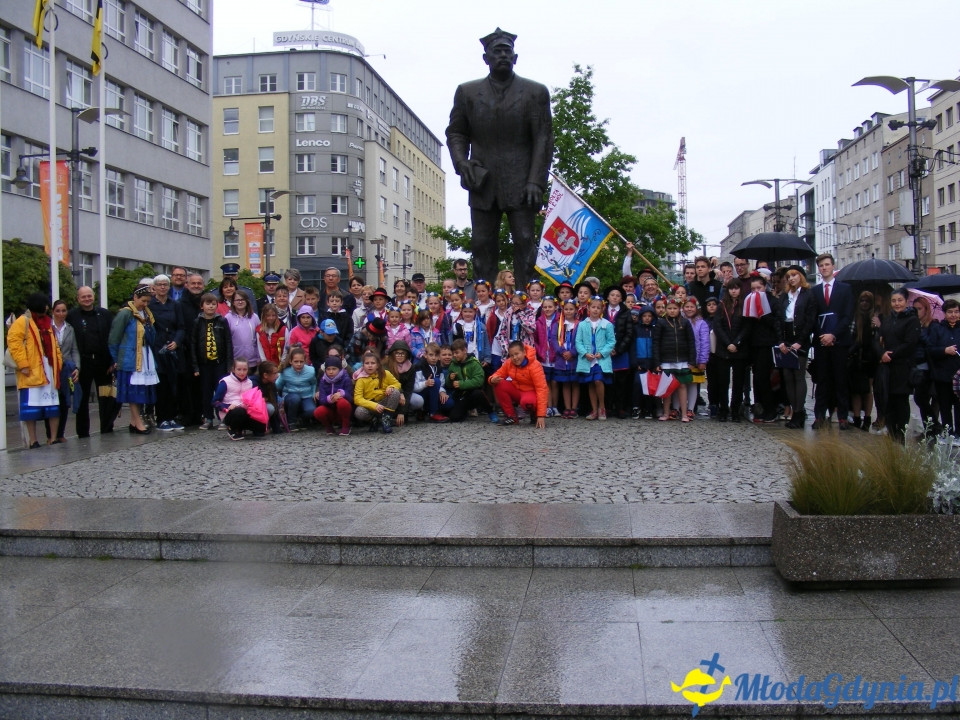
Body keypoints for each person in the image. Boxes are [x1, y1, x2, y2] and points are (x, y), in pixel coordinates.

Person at [446, 28, 553, 282]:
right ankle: (484, 302)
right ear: (486, 58)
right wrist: (462, 163)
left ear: (515, 57)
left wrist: (536, 181)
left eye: (508, 51)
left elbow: (543, 139)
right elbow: (456, 133)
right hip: (482, 181)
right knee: (481, 244)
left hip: (523, 180)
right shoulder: (467, 92)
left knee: (526, 242)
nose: (503, 56)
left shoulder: (535, 92)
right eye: (497, 51)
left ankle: (528, 298)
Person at [8, 293, 63, 448]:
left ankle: (53, 437)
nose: (47, 308)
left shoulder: (48, 323)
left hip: (49, 368)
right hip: (31, 369)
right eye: (46, 305)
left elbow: (55, 344)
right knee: (31, 407)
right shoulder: (22, 322)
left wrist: (58, 362)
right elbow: (14, 343)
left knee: (53, 404)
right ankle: (33, 440)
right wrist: (23, 364)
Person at [811, 254, 855, 430]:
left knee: (840, 380)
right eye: (821, 265)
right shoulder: (814, 291)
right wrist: (823, 335)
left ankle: (842, 416)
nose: (824, 268)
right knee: (822, 380)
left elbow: (847, 316)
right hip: (821, 342)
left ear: (832, 266)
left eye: (827, 264)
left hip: (839, 341)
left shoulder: (845, 289)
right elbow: (812, 316)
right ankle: (820, 416)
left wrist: (833, 335)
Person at [66, 286, 116, 438]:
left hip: (103, 363)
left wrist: (113, 361)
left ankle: (107, 428)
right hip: (83, 363)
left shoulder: (105, 314)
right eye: (83, 297)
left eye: (89, 296)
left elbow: (113, 338)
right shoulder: (72, 316)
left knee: (106, 397)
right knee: (82, 398)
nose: (87, 299)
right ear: (78, 298)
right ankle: (82, 432)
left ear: (94, 296)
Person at [109, 286, 159, 435]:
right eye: (143, 300)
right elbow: (114, 338)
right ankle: (138, 422)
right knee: (133, 391)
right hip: (130, 357)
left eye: (148, 301)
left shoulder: (147, 314)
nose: (145, 304)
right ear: (135, 297)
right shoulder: (125, 314)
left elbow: (152, 337)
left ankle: (133, 421)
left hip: (145, 356)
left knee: (141, 390)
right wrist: (115, 358)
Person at [878, 288, 920, 443]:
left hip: (903, 366)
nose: (897, 304)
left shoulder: (911, 319)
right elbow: (879, 338)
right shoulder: (888, 319)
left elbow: (910, 343)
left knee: (900, 400)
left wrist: (891, 355)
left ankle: (900, 433)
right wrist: (881, 353)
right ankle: (890, 430)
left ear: (906, 301)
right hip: (887, 366)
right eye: (894, 301)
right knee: (887, 400)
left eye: (900, 300)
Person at [777, 267, 816, 429]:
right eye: (788, 276)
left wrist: (800, 341)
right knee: (787, 377)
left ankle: (799, 412)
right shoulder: (785, 296)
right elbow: (778, 318)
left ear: (801, 277)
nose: (791, 279)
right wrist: (780, 341)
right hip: (786, 339)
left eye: (794, 275)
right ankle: (794, 409)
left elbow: (810, 320)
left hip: (800, 340)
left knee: (798, 376)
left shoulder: (808, 295)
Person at [149, 274, 186, 432]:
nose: (163, 287)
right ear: (154, 287)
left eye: (165, 284)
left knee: (173, 384)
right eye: (160, 285)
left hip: (173, 348)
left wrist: (177, 341)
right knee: (161, 385)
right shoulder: (150, 305)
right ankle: (162, 418)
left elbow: (181, 326)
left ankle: (171, 417)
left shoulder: (175, 304)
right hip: (157, 348)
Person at [744, 273, 782, 424]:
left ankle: (771, 409)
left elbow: (776, 323)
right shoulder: (750, 301)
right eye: (753, 289)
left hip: (767, 344)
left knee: (765, 378)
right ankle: (760, 407)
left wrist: (763, 317)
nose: (756, 291)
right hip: (754, 344)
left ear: (764, 287)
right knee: (758, 379)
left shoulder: (772, 301)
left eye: (759, 288)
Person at [192, 292, 233, 430]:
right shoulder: (197, 322)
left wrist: (229, 364)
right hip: (204, 364)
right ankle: (208, 418)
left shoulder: (222, 321)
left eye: (213, 304)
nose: (211, 306)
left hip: (219, 363)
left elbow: (228, 342)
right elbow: (193, 344)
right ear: (202, 306)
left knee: (221, 391)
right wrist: (195, 366)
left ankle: (222, 417)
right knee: (206, 392)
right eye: (208, 304)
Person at [653, 297, 696, 422]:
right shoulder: (661, 322)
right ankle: (666, 412)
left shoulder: (685, 322)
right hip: (666, 360)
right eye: (670, 308)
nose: (672, 311)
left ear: (680, 309)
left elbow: (691, 342)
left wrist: (692, 361)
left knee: (682, 386)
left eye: (675, 308)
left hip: (682, 360)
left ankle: (684, 414)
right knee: (668, 388)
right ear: (666, 309)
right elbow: (656, 343)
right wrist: (657, 362)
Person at [489, 340, 549, 427]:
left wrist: (541, 415)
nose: (515, 358)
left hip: (530, 393)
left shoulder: (535, 365)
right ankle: (511, 417)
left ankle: (534, 414)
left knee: (528, 401)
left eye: (517, 354)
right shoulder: (509, 363)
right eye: (512, 355)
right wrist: (492, 379)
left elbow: (542, 389)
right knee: (499, 383)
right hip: (517, 392)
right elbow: (498, 374)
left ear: (524, 352)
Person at [575, 295, 616, 421]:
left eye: (598, 308)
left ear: (602, 309)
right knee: (591, 383)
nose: (595, 310)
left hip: (600, 359)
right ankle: (594, 409)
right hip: (588, 359)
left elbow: (611, 341)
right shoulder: (582, 324)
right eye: (593, 307)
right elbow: (578, 341)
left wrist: (603, 353)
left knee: (598, 380)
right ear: (588, 308)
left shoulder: (607, 324)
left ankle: (602, 407)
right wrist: (584, 353)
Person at [45, 299, 80, 444]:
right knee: (51, 400)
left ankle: (60, 433)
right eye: (58, 311)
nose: (61, 314)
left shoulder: (69, 328)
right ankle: (50, 435)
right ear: (53, 312)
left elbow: (74, 350)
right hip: (50, 367)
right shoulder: (47, 327)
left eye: (63, 310)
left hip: (66, 367)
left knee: (64, 401)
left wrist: (77, 367)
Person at [848, 291, 879, 432]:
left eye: (867, 301)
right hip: (856, 358)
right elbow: (852, 336)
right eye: (862, 300)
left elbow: (877, 339)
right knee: (855, 390)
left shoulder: (875, 317)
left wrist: (877, 326)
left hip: (870, 358)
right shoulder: (855, 316)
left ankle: (867, 418)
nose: (864, 303)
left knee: (867, 390)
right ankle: (856, 417)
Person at [928, 298, 960, 436]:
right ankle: (948, 432)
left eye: (957, 312)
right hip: (943, 375)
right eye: (950, 312)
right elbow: (930, 350)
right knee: (945, 406)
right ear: (945, 313)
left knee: (959, 407)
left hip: (959, 376)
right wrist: (944, 350)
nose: (954, 315)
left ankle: (958, 434)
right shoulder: (937, 328)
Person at [212, 358, 265, 441]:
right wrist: (226, 407)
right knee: (239, 411)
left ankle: (241, 428)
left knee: (261, 429)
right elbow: (215, 402)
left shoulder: (251, 383)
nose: (242, 372)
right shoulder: (225, 382)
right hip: (229, 413)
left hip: (246, 411)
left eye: (244, 369)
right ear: (233, 369)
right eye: (239, 369)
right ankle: (232, 428)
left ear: (248, 369)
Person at [354, 350, 403, 433]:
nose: (370, 366)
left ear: (377, 365)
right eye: (367, 363)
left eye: (373, 363)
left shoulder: (385, 373)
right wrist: (374, 405)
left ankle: (386, 419)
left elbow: (397, 384)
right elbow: (357, 398)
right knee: (359, 412)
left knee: (395, 392)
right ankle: (373, 420)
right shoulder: (360, 379)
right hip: (370, 405)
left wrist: (391, 387)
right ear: (363, 365)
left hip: (384, 403)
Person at [604, 286, 634, 419]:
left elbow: (629, 333)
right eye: (612, 295)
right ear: (608, 297)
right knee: (607, 381)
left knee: (621, 382)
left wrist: (619, 349)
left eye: (617, 295)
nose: (615, 297)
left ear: (621, 298)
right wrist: (606, 349)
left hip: (621, 352)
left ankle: (621, 407)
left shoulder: (626, 312)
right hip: (605, 352)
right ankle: (608, 407)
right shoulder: (602, 310)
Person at [446, 338, 494, 422]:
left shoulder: (474, 363)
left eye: (457, 353)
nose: (454, 355)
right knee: (454, 418)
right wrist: (450, 379)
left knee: (478, 393)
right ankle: (466, 411)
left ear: (464, 350)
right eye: (453, 353)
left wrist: (461, 384)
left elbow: (479, 381)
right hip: (461, 395)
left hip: (473, 393)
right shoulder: (453, 364)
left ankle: (490, 411)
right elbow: (448, 384)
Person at [276, 347, 317, 429]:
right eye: (296, 362)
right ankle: (291, 422)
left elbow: (314, 383)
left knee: (311, 411)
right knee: (295, 398)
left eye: (301, 362)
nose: (299, 364)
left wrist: (313, 395)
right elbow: (277, 386)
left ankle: (302, 419)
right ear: (291, 361)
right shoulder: (285, 372)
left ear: (305, 361)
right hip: (290, 396)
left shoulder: (311, 371)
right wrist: (280, 400)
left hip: (306, 396)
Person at [312, 354, 354, 435]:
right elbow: (322, 400)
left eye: (334, 369)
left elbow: (351, 397)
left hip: (344, 410)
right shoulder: (323, 380)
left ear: (339, 369)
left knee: (342, 402)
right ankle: (328, 427)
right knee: (318, 411)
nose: (331, 372)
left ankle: (346, 426)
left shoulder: (345, 378)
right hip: (330, 409)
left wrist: (342, 394)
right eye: (328, 369)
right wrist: (330, 398)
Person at [383, 339, 420, 426]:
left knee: (418, 401)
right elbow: (385, 384)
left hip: (404, 396)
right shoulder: (386, 365)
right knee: (394, 394)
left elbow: (408, 389)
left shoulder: (411, 367)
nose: (400, 355)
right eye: (397, 353)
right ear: (392, 354)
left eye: (402, 353)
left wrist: (402, 412)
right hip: (388, 393)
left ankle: (405, 412)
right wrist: (400, 393)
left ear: (407, 354)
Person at [225, 293, 260, 372]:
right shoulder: (228, 318)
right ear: (233, 302)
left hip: (252, 361)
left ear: (247, 301)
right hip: (235, 361)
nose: (240, 302)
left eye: (242, 300)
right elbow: (226, 340)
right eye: (237, 300)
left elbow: (259, 339)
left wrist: (259, 357)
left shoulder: (254, 317)